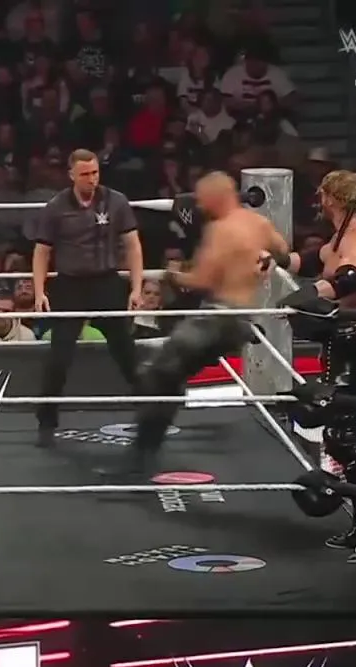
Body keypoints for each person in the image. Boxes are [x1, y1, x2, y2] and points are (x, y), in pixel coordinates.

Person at [106, 172, 288, 475]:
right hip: (239, 317)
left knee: (154, 376)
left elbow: (201, 280)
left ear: (216, 198)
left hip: (217, 318)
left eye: (204, 200)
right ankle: (144, 454)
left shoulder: (220, 230)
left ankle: (140, 455)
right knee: (170, 378)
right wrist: (265, 259)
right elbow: (282, 249)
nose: (200, 207)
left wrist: (171, 274)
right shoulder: (259, 223)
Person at [274, 170, 356, 564]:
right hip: (337, 341)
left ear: (335, 198)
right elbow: (309, 260)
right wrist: (272, 259)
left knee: (347, 438)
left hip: (354, 340)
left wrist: (301, 297)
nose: (319, 202)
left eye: (323, 195)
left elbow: (347, 280)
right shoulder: (338, 239)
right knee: (338, 439)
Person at [32, 148, 145, 447]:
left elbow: (133, 245)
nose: (91, 179)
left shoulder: (116, 201)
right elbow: (42, 251)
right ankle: (46, 419)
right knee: (59, 354)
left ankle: (150, 407)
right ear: (71, 174)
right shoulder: (56, 207)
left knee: (125, 349)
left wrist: (136, 287)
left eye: (95, 172)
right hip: (70, 285)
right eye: (84, 174)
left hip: (106, 282)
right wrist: (40, 291)